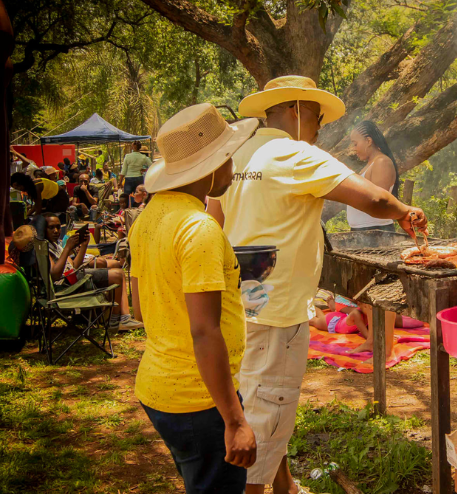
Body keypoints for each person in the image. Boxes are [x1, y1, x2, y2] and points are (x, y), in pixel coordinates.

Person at [206, 75, 428, 494]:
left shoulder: (236, 152)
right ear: (295, 110)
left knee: (256, 393)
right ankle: (255, 489)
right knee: (269, 399)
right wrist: (404, 209)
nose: (321, 126)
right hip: (279, 301)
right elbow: (374, 199)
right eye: (318, 116)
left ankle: (284, 485)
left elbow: (214, 220)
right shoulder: (296, 154)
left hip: (243, 287)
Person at [130, 103, 257, 493]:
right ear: (214, 165)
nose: (233, 165)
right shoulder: (198, 228)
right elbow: (204, 332)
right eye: (229, 156)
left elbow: (137, 309)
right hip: (198, 399)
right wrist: (234, 421)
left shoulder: (147, 219)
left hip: (158, 387)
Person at [42, 213, 143, 330]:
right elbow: (54, 274)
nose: (56, 231)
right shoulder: (45, 248)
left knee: (117, 271)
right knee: (117, 274)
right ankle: (115, 321)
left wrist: (84, 246)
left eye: (58, 227)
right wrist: (68, 248)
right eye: (51, 227)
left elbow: (74, 266)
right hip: (66, 285)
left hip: (74, 278)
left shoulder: (55, 245)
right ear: (44, 229)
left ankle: (123, 317)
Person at [347, 120, 400, 232]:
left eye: (355, 144)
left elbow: (378, 202)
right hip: (364, 231)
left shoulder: (382, 162)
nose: (353, 148)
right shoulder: (370, 164)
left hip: (376, 231)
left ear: (368, 141)